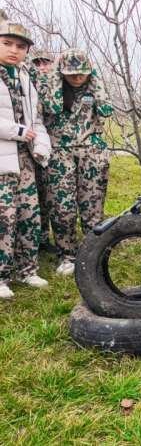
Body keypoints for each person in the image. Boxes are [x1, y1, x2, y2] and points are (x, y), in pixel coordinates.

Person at [38, 48, 113, 277]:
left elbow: (107, 110)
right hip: (60, 154)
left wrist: (95, 78)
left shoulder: (93, 85)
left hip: (91, 152)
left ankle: (93, 253)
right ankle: (67, 255)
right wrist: (55, 77)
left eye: (82, 72)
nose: (78, 77)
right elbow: (51, 107)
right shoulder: (52, 86)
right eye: (71, 73)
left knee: (92, 208)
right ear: (61, 72)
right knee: (62, 208)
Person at [0, 22, 51, 299]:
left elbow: (36, 120)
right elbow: (20, 127)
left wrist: (41, 145)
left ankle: (27, 270)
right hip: (2, 160)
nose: (14, 50)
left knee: (29, 215)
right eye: (7, 43)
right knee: (4, 218)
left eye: (20, 47)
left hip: (25, 160)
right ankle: (1, 276)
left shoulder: (25, 78)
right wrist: (18, 131)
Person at [29, 49, 55, 251]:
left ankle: (45, 238)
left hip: (54, 146)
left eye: (45, 63)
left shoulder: (59, 84)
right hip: (31, 144)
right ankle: (36, 238)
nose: (42, 67)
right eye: (37, 63)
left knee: (49, 195)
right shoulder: (28, 83)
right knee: (34, 194)